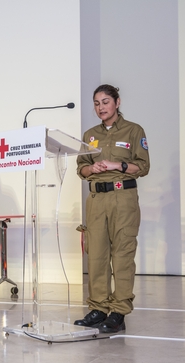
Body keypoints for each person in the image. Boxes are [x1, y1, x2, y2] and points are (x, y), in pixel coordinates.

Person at [74, 84, 150, 333]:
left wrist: (118, 165)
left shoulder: (133, 130)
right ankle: (98, 308)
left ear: (117, 103)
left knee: (122, 255)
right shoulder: (89, 135)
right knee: (96, 255)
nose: (101, 107)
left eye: (105, 102)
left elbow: (143, 166)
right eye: (96, 103)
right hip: (96, 199)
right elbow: (81, 168)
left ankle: (119, 311)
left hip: (123, 198)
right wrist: (92, 168)